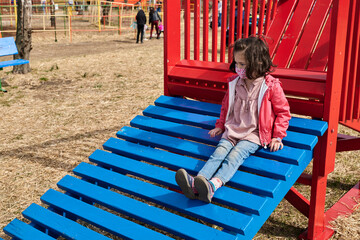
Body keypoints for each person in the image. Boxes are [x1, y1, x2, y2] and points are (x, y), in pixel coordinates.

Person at [175, 36, 291, 203]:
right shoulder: (235, 83)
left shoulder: (270, 86)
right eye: (236, 63)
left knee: (234, 156)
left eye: (242, 64)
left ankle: (213, 185)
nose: (238, 68)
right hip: (232, 129)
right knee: (219, 153)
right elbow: (226, 107)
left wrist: (278, 136)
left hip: (254, 134)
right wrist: (220, 125)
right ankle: (197, 182)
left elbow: (283, 112)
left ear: (257, 63)